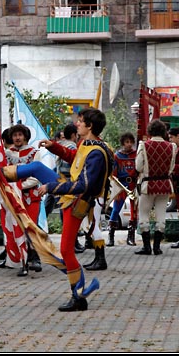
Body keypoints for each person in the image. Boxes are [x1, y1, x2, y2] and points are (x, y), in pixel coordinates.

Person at [34, 108, 113, 311]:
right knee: (66, 250)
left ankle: (78, 296)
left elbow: (84, 185)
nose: (76, 124)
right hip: (73, 199)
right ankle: (79, 292)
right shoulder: (86, 145)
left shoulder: (96, 151)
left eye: (80, 121)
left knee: (66, 250)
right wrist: (55, 148)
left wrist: (51, 187)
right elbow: (74, 157)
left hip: (78, 202)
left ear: (90, 126)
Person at [4, 124, 43, 275]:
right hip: (14, 198)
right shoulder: (7, 153)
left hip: (30, 197)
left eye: (20, 135)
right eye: (15, 135)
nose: (17, 138)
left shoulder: (35, 153)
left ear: (25, 136)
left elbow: (36, 175)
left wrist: (20, 186)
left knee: (31, 227)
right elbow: (3, 174)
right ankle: (23, 261)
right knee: (18, 227)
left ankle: (35, 257)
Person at [134, 119, 176, 256]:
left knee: (144, 214)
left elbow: (138, 167)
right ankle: (157, 247)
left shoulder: (144, 146)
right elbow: (172, 168)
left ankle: (147, 247)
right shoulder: (172, 146)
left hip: (148, 184)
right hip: (164, 184)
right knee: (161, 214)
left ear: (150, 131)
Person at [54, 124, 85, 254]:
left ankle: (72, 242)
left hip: (61, 179)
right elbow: (73, 163)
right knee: (69, 212)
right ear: (73, 135)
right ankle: (72, 242)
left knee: (64, 210)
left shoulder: (61, 144)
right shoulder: (71, 146)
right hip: (69, 181)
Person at [108, 132, 138, 247]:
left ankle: (131, 237)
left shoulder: (136, 154)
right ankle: (111, 237)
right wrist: (116, 185)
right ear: (123, 143)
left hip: (133, 184)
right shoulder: (117, 156)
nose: (129, 145)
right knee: (116, 209)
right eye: (126, 142)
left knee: (133, 211)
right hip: (121, 184)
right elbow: (114, 173)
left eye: (130, 142)